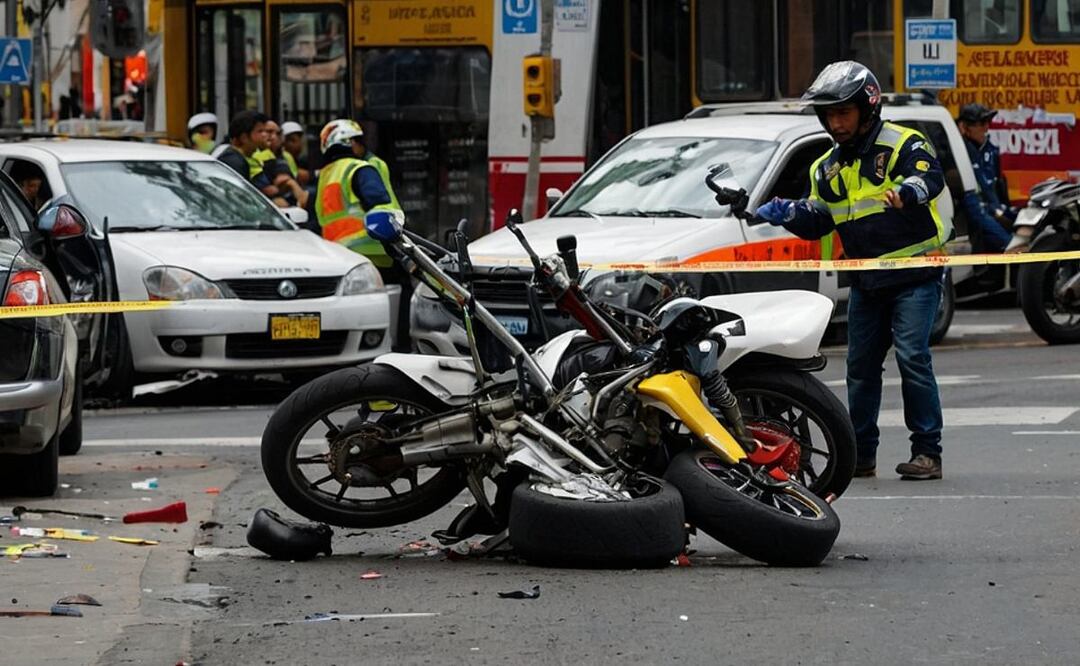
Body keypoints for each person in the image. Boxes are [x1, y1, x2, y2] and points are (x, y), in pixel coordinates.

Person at [755, 61, 950, 481]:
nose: (836, 123)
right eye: (829, 115)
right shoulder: (825, 167)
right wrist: (783, 211)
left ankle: (927, 454)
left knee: (913, 358)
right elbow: (820, 220)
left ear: (867, 108)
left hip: (915, 274)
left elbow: (928, 178)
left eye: (843, 113)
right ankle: (861, 454)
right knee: (860, 368)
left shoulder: (903, 143)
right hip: (866, 281)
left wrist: (908, 193)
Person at [316, 118, 410, 350]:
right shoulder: (359, 168)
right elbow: (380, 206)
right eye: (357, 141)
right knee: (403, 295)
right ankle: (400, 348)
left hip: (340, 257)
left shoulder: (327, 175)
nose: (361, 146)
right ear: (347, 142)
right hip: (376, 250)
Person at [957, 103, 1014, 252]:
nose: (986, 128)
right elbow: (973, 206)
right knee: (1008, 244)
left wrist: (1003, 212)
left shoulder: (991, 151)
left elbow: (997, 189)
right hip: (975, 219)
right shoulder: (959, 154)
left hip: (996, 210)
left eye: (988, 122)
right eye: (981, 123)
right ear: (964, 127)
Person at [280, 121, 310, 186]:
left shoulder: (302, 161)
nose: (299, 144)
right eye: (293, 140)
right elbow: (299, 176)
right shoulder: (283, 157)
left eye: (300, 139)